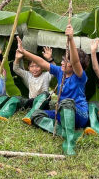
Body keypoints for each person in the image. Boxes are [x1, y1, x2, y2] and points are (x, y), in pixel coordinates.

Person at [17, 24, 89, 156]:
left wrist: (71, 39)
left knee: (67, 102)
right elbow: (42, 62)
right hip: (61, 112)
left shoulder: (80, 76)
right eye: (62, 59)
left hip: (80, 115)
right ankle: (70, 132)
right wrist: (24, 52)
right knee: (36, 115)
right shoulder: (60, 72)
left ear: (73, 65)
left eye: (66, 61)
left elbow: (76, 62)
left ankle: (69, 141)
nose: (62, 62)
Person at [13, 47, 53, 124]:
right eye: (32, 66)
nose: (34, 69)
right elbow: (16, 69)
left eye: (37, 66)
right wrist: (17, 58)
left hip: (44, 103)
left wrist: (50, 59)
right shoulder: (28, 75)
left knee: (45, 94)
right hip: (32, 101)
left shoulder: (47, 75)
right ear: (28, 68)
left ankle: (30, 116)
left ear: (42, 67)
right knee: (16, 98)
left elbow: (55, 70)